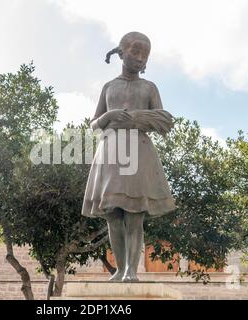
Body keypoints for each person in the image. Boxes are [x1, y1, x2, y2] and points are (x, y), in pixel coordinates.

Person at [81, 32, 176, 282]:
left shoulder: (149, 87)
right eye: (135, 51)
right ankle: (119, 270)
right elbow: (94, 123)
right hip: (110, 151)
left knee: (134, 213)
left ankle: (131, 272)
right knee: (113, 213)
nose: (140, 57)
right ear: (121, 53)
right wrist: (107, 117)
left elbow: (163, 120)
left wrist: (136, 118)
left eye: (145, 54)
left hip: (138, 151)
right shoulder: (109, 87)